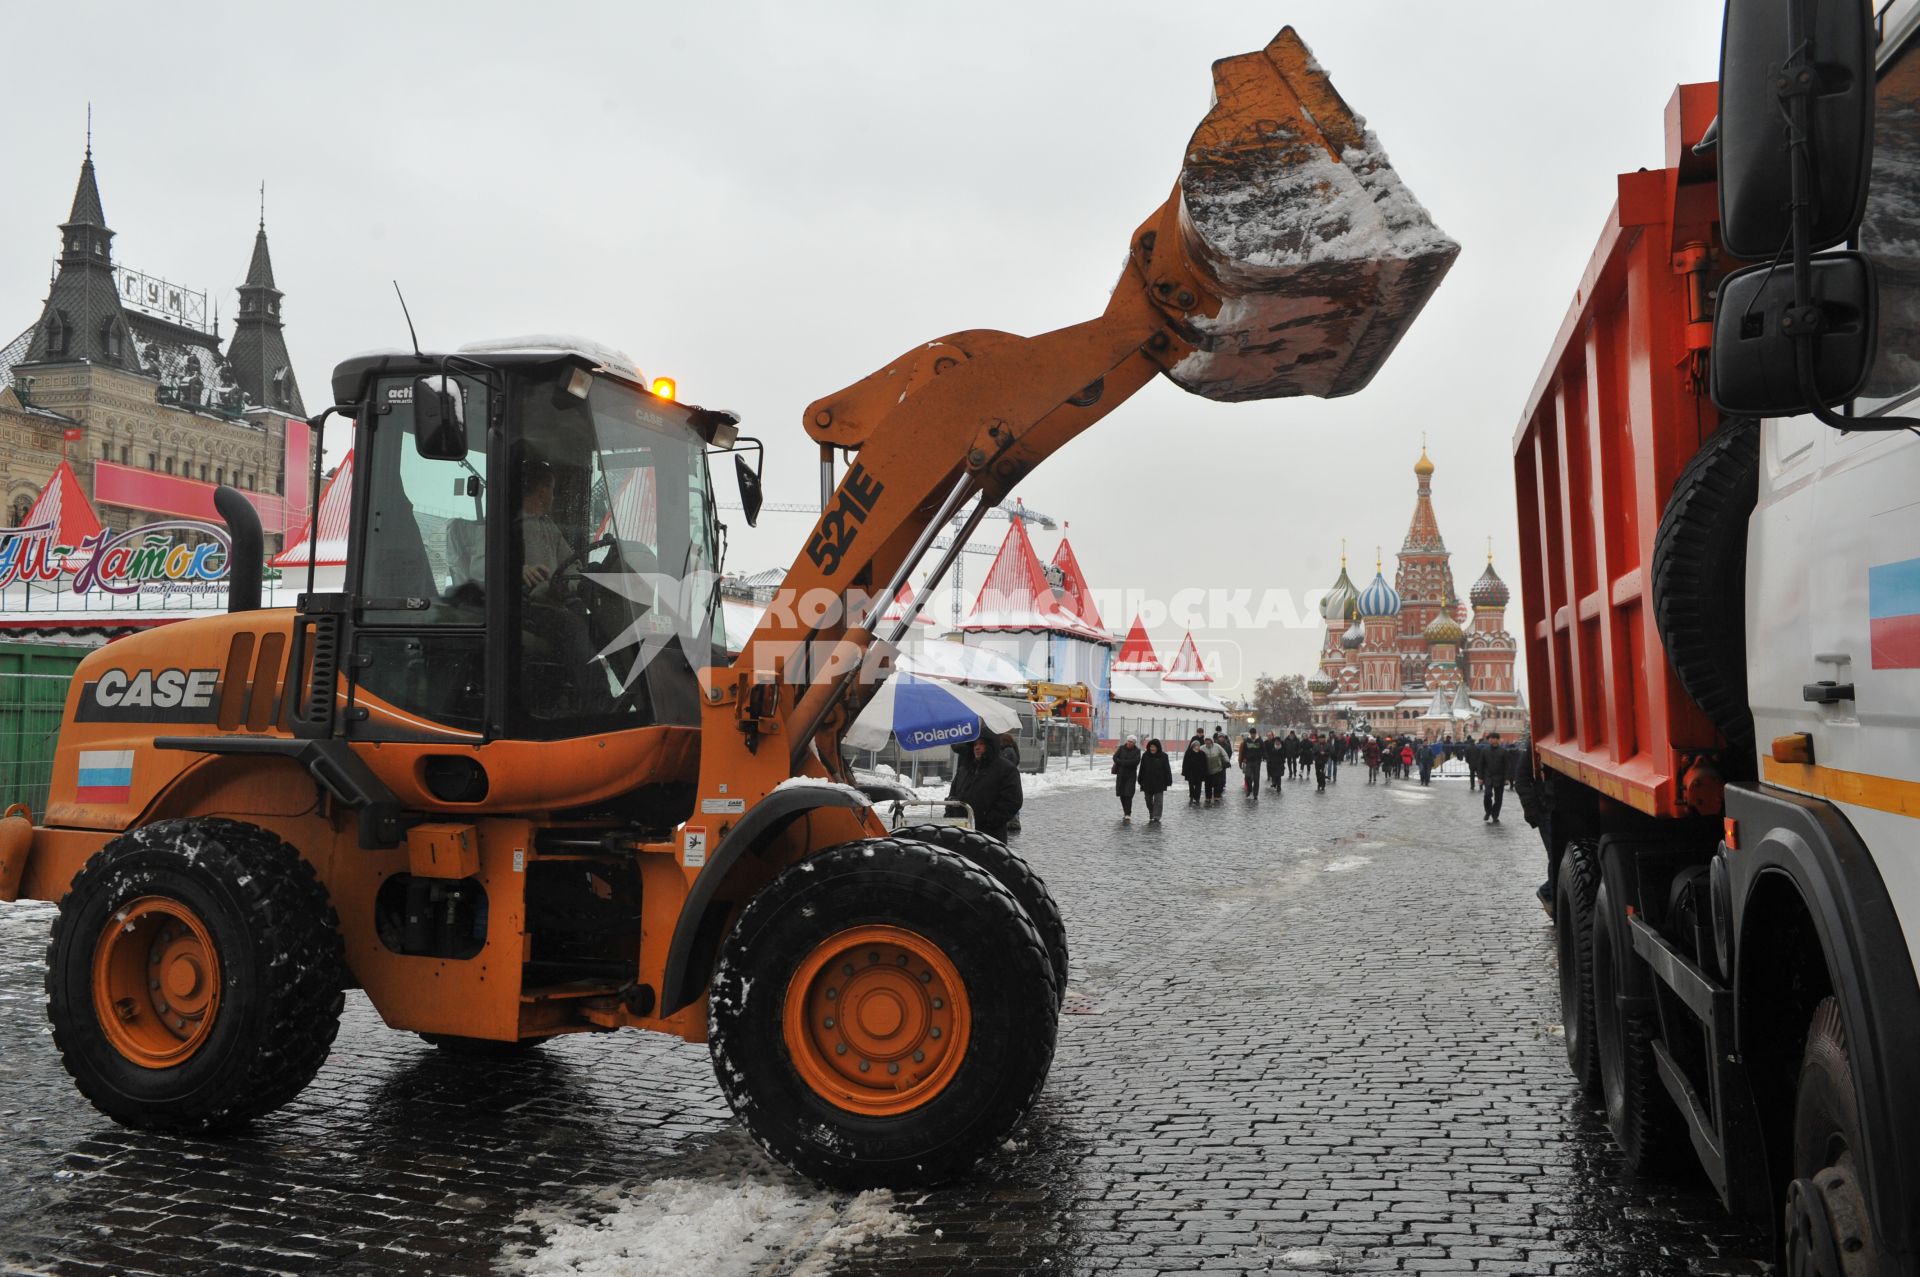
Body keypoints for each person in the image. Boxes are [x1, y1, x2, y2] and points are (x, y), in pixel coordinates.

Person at [951, 734, 1023, 842]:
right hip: (962, 834)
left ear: (990, 746)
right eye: (975, 744)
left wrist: (989, 821)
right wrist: (951, 814)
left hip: (990, 837)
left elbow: (1013, 800)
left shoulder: (1006, 769)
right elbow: (953, 794)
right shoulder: (965, 769)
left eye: (981, 744)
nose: (977, 747)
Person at [1138, 738, 1173, 823]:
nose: (1152, 748)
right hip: (1147, 782)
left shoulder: (1164, 756)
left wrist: (1169, 780)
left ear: (1158, 747)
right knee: (1147, 799)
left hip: (1159, 782)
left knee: (1158, 801)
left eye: (1154, 747)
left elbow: (1167, 769)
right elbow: (1142, 769)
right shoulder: (1145, 755)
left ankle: (1156, 816)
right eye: (1150, 747)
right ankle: (1151, 811)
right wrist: (1139, 779)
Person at [1111, 734, 1142, 822]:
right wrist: (1123, 762)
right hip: (1121, 775)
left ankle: (1128, 813)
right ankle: (1125, 812)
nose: (1129, 743)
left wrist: (1122, 763)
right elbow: (1115, 757)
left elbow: (1135, 762)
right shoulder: (1121, 748)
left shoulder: (1137, 751)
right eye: (1128, 741)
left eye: (1131, 742)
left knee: (1128, 794)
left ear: (1134, 743)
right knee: (1122, 794)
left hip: (1131, 776)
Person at [1482, 731, 1508, 823]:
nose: (1490, 740)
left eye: (1492, 738)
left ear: (1497, 740)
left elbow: (1506, 766)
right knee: (1487, 795)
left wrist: (1506, 778)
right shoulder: (1485, 751)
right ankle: (1488, 811)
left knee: (1498, 798)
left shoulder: (1503, 751)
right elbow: (1481, 765)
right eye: (1489, 738)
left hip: (1500, 777)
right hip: (1488, 777)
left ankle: (1495, 815)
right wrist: (1480, 778)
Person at [1182, 733, 1209, 806]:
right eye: (1196, 745)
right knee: (1191, 785)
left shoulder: (1202, 753)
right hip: (1191, 772)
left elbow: (1204, 763)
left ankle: (1197, 798)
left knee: (1198, 786)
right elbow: (1185, 763)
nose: (1197, 747)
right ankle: (1191, 796)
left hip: (1199, 773)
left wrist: (1205, 772)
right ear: (1193, 746)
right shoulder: (1188, 753)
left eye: (1198, 745)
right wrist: (1184, 771)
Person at [1204, 732, 1230, 802]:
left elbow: (1224, 754)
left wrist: (1227, 761)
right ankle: (1208, 797)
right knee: (1208, 785)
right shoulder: (1202, 748)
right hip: (1207, 770)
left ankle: (1216, 796)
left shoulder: (1217, 746)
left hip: (1217, 769)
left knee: (1217, 784)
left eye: (1208, 740)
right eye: (1206, 740)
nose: (1207, 742)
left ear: (1211, 740)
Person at [1239, 729, 1264, 798]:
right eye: (1252, 734)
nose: (1253, 735)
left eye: (1254, 734)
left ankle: (1255, 794)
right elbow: (1243, 751)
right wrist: (1241, 761)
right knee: (1247, 776)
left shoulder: (1260, 741)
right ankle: (1249, 789)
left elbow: (1263, 749)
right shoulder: (1246, 741)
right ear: (1250, 734)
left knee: (1256, 778)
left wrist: (1265, 757)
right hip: (1249, 761)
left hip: (1257, 761)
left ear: (1256, 734)